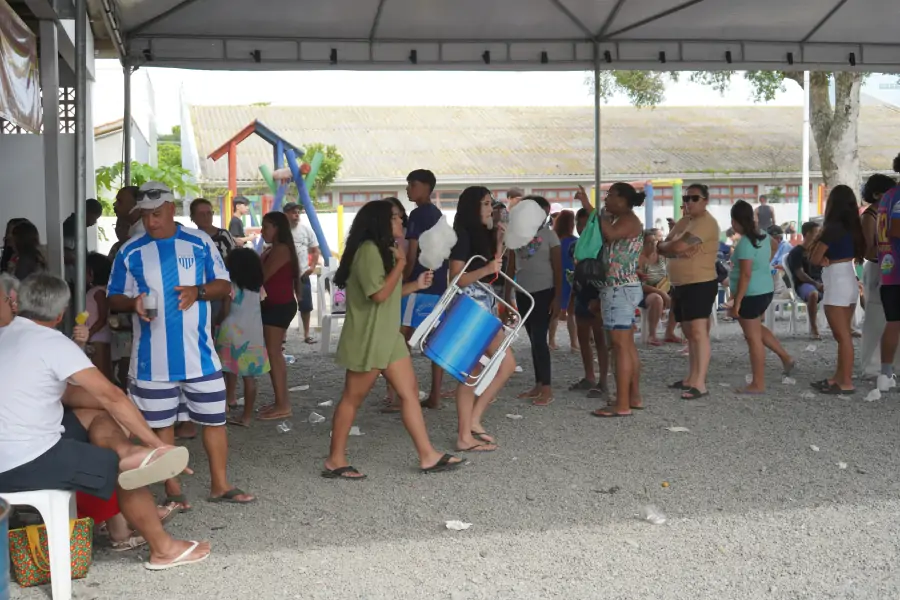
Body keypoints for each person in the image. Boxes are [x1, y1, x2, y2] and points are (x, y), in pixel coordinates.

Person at [0, 273, 211, 570]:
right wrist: (156, 443)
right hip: (23, 462)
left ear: (18, 303)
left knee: (95, 418)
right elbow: (112, 396)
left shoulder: (6, 335)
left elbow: (70, 396)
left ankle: (126, 450)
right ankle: (163, 549)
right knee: (122, 469)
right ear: (61, 314)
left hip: (9, 453)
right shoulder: (53, 343)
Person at [107, 181, 254, 507]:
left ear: (172, 209)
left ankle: (220, 485)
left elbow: (223, 284)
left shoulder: (199, 242)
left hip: (200, 356)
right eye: (145, 215)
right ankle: (173, 491)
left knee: (214, 421)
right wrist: (132, 304)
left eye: (157, 214)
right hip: (151, 362)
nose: (150, 221)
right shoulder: (131, 250)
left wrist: (197, 292)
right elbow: (113, 296)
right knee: (161, 426)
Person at [326, 200, 462, 478]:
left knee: (409, 393)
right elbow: (378, 295)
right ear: (382, 221)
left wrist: (415, 285)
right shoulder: (368, 251)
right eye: (397, 218)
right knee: (352, 398)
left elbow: (387, 292)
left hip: (388, 336)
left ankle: (427, 455)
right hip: (370, 337)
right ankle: (335, 460)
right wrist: (401, 264)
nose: (402, 222)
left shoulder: (383, 249)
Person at [449, 186, 517, 452]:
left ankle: (471, 425)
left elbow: (492, 272)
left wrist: (498, 243)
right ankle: (467, 431)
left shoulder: (478, 234)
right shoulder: (462, 235)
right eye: (487, 204)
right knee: (480, 370)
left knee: (482, 369)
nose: (492, 209)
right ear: (473, 207)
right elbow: (457, 277)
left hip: (482, 304)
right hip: (471, 307)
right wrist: (488, 267)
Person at [658, 183, 721, 400]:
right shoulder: (685, 222)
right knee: (688, 332)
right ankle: (691, 378)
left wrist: (674, 247)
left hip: (700, 282)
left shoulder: (706, 223)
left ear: (705, 201)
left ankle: (700, 383)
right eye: (686, 198)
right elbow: (664, 246)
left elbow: (673, 247)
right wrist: (674, 247)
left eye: (695, 198)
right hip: (680, 283)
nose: (689, 202)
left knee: (698, 332)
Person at [590, 183, 645, 417]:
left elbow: (610, 235)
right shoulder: (624, 219)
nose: (606, 199)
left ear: (623, 200)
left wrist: (592, 211)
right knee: (627, 345)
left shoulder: (628, 220)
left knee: (620, 346)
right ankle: (633, 396)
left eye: (610, 195)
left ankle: (622, 403)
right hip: (624, 286)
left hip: (618, 287)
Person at [728, 201, 794, 393]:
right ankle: (785, 357)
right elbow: (775, 245)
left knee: (753, 338)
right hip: (764, 289)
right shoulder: (763, 235)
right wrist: (764, 262)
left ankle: (758, 383)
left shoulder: (745, 244)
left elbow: (745, 275)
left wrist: (737, 302)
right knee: (756, 328)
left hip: (750, 293)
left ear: (734, 221)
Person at [809, 185, 866, 394]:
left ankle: (846, 382)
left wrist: (823, 259)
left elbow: (815, 258)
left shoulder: (831, 229)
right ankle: (839, 377)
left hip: (835, 280)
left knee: (842, 337)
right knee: (844, 335)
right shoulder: (855, 228)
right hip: (849, 277)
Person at [504, 196, 561, 406]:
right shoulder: (516, 235)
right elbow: (510, 267)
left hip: (544, 292)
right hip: (523, 293)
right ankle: (539, 384)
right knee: (533, 339)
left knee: (539, 339)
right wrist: (506, 296)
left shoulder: (549, 235)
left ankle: (547, 388)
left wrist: (558, 298)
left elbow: (558, 269)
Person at [402, 169, 448, 410]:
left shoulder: (417, 214)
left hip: (418, 283)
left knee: (402, 339)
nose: (408, 189)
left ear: (426, 187)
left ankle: (403, 394)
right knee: (435, 341)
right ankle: (435, 395)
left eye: (412, 184)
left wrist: (404, 280)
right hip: (438, 283)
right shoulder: (438, 214)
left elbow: (412, 253)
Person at [216, 248, 270, 427]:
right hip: (253, 335)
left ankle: (224, 405)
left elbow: (225, 310)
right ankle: (246, 416)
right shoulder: (258, 288)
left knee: (224, 370)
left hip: (230, 333)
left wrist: (216, 322)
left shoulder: (230, 286)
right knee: (249, 378)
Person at [256, 210, 302, 421]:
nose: (262, 231)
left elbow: (262, 276)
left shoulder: (281, 249)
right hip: (273, 305)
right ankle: (280, 401)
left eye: (266, 227)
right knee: (273, 354)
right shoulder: (273, 249)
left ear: (277, 228)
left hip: (278, 306)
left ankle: (283, 404)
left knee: (274, 354)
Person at [567, 201, 610, 398]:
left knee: (600, 339)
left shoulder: (602, 248)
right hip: (581, 293)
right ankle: (589, 376)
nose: (581, 228)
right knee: (583, 338)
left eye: (585, 224)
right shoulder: (575, 246)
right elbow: (576, 273)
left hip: (598, 294)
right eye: (579, 223)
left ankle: (603, 381)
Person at [859, 173, 899, 378]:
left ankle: (889, 365)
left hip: (888, 267)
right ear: (876, 194)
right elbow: (868, 250)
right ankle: (872, 366)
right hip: (878, 268)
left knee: (890, 319)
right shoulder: (870, 215)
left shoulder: (885, 210)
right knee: (876, 318)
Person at [876, 154, 900, 392]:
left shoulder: (887, 196)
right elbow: (897, 229)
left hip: (889, 268)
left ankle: (885, 374)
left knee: (893, 322)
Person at [283, 202, 320, 344]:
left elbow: (315, 250)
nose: (296, 215)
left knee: (306, 306)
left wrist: (312, 266)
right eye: (293, 212)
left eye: (298, 212)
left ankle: (306, 334)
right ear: (286, 214)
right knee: (284, 306)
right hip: (284, 275)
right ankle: (283, 335)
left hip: (303, 274)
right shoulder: (280, 231)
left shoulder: (306, 230)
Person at [638, 229, 678, 346]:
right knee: (657, 299)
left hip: (663, 287)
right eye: (649, 243)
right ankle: (652, 335)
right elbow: (640, 285)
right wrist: (661, 293)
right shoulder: (640, 258)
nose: (653, 245)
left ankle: (669, 332)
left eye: (654, 242)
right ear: (642, 243)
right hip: (644, 291)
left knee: (680, 296)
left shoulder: (661, 256)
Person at [787, 221, 825, 339]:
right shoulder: (796, 252)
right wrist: (816, 284)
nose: (820, 235)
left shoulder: (818, 251)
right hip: (804, 284)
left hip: (820, 282)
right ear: (808, 234)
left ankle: (845, 327)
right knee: (813, 294)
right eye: (817, 232)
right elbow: (800, 274)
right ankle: (814, 328)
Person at [550, 209, 578, 352]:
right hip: (571, 276)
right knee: (572, 312)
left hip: (556, 276)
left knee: (555, 311)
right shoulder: (575, 241)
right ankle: (574, 343)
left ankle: (551, 341)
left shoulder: (554, 240)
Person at [85, 252, 113, 380]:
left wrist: (89, 334)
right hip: (97, 336)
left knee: (101, 373)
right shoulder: (95, 291)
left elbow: (102, 318)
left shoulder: (99, 292)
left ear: (92, 272)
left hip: (98, 336)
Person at [63, 198, 104, 269]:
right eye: (95, 218)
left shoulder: (78, 226)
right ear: (88, 212)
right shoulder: (72, 226)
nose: (95, 222)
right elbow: (67, 254)